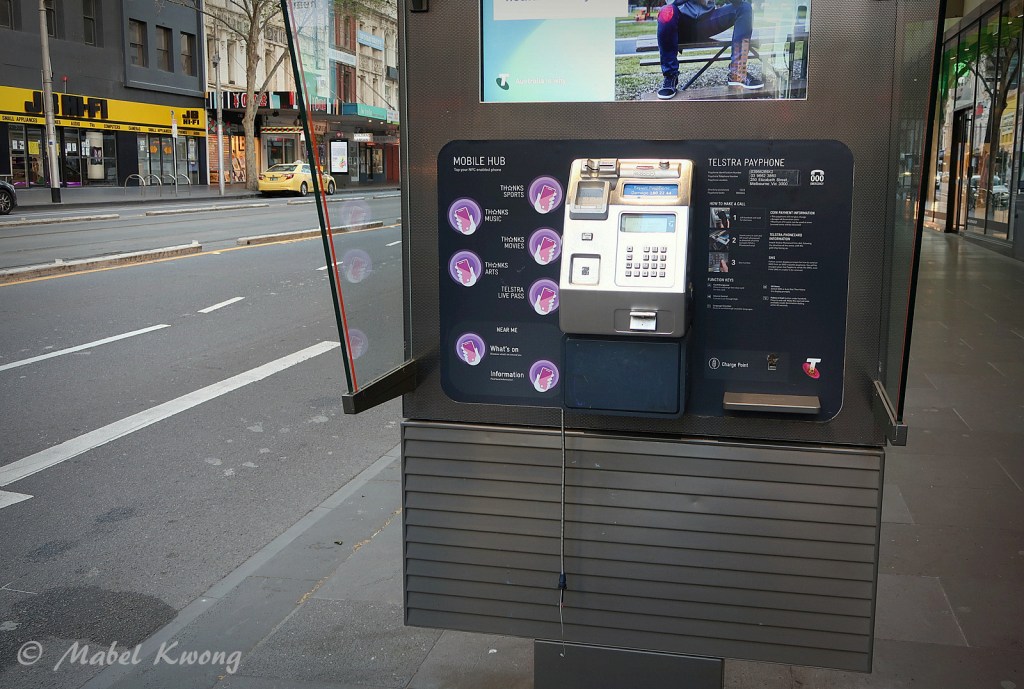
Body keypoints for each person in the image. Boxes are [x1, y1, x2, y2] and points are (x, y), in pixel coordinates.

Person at [656, 0, 763, 99]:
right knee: (666, 11)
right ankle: (670, 76)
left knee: (744, 8)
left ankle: (738, 71)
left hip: (706, 23)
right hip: (681, 25)